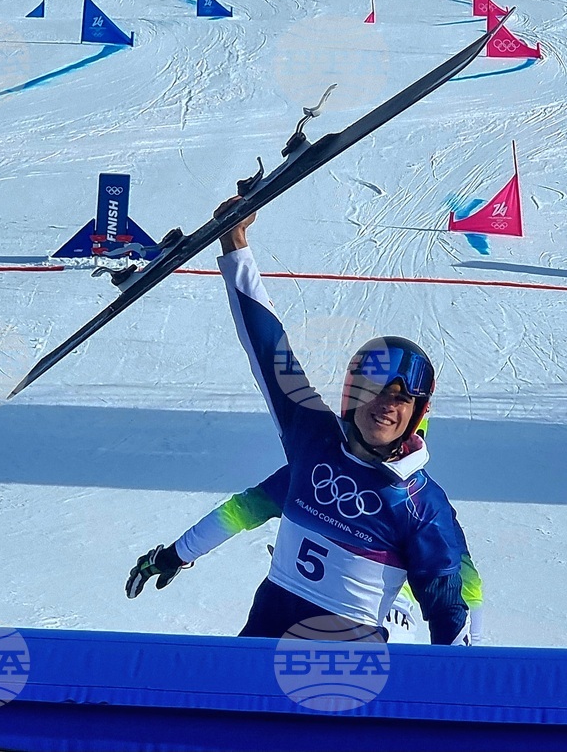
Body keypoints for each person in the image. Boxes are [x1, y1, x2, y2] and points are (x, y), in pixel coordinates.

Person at [128, 197, 471, 645]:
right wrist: (235, 244)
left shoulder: (423, 505)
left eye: (401, 398)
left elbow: (449, 614)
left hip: (344, 672)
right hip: (262, 642)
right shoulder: (314, 444)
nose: (385, 406)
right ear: (351, 396)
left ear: (416, 413)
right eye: (372, 391)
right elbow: (272, 355)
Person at [126, 465, 486, 644]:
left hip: (294, 625)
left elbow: (239, 511)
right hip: (384, 636)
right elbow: (470, 592)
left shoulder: (318, 469)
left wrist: (175, 555)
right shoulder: (427, 505)